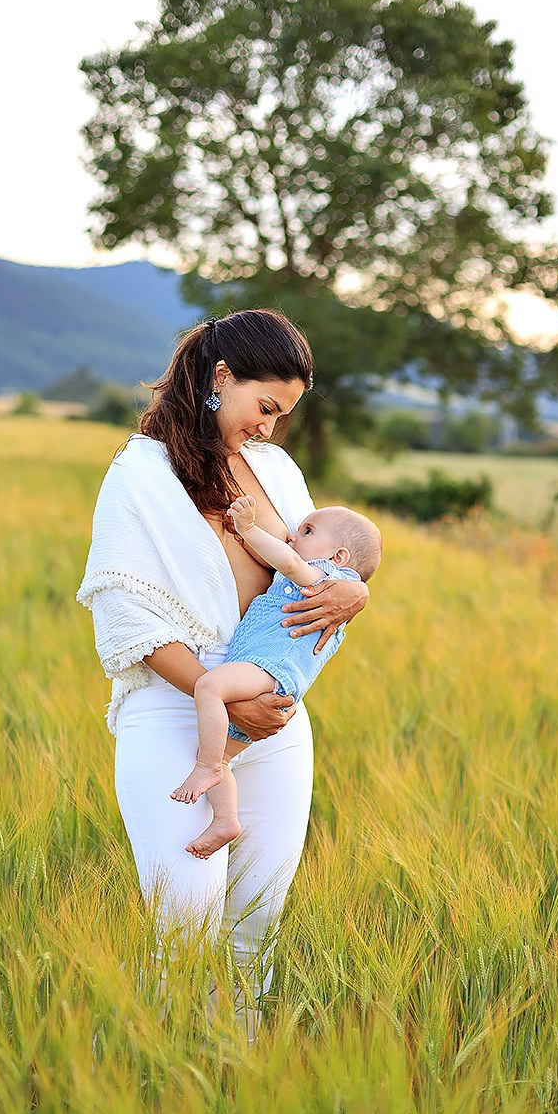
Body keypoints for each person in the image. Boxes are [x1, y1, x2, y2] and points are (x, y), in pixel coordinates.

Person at [76, 308, 369, 1039]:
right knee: (184, 930)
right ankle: (162, 1090)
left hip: (273, 719)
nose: (270, 428)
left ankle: (234, 1088)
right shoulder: (139, 473)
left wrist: (352, 591)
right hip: (177, 717)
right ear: (220, 377)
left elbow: (314, 579)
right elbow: (126, 618)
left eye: (284, 415)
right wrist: (222, 697)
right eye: (264, 406)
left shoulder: (277, 471)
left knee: (253, 935)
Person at [170, 495, 382, 860]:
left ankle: (204, 769)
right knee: (223, 757)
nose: (293, 536)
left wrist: (249, 528)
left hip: (268, 669)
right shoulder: (336, 590)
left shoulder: (324, 580)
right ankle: (225, 819)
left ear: (339, 558)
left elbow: (286, 560)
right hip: (269, 675)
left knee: (209, 686)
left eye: (308, 530)